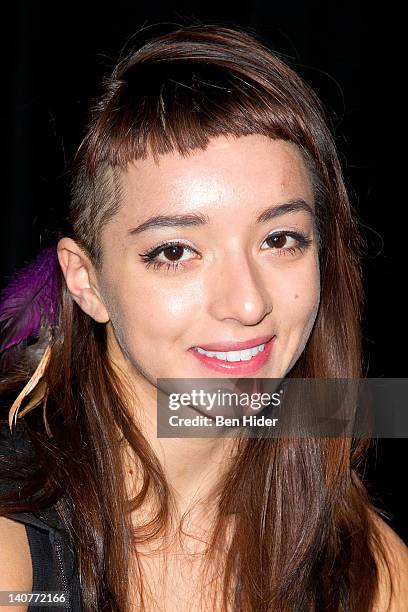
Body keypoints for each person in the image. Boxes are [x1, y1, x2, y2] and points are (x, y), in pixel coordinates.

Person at [0, 23, 407, 612]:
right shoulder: (17, 558)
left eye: (280, 238)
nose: (247, 304)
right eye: (174, 251)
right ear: (85, 281)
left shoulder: (357, 562)